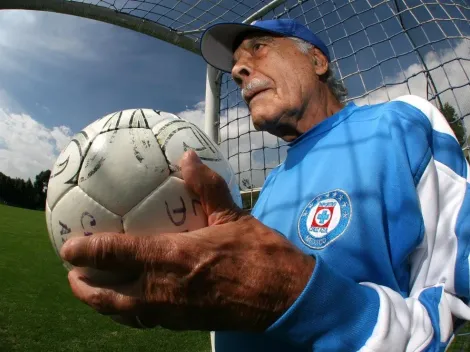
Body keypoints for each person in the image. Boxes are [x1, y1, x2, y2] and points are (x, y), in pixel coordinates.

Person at [60, 19, 470, 351]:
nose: (239, 72)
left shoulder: (400, 123)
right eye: (236, 71)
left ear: (317, 61)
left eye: (258, 48)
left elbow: (449, 306)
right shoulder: (270, 185)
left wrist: (295, 297)